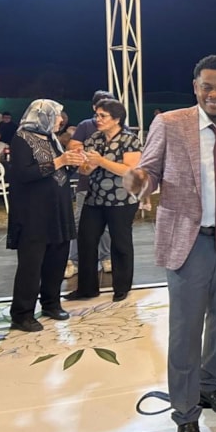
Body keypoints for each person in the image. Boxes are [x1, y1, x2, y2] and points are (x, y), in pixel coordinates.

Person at [123, 55, 216, 432]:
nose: (215, 94)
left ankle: (209, 386)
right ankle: (185, 415)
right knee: (185, 330)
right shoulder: (170, 124)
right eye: (207, 86)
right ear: (195, 87)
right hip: (189, 241)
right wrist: (139, 180)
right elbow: (149, 171)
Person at [7, 100, 86, 332]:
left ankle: (51, 303)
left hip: (57, 209)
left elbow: (59, 172)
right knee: (31, 265)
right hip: (33, 213)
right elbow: (23, 174)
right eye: (57, 115)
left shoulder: (51, 138)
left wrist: (72, 162)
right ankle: (22, 314)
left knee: (56, 260)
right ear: (42, 116)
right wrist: (61, 160)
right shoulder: (21, 138)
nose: (61, 119)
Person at [66, 100, 142, 302]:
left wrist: (101, 161)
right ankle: (86, 288)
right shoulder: (94, 139)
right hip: (95, 198)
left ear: (116, 119)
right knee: (86, 240)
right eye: (97, 115)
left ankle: (121, 287)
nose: (97, 119)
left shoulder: (130, 140)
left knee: (120, 243)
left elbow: (129, 170)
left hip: (122, 200)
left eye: (103, 116)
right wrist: (88, 166)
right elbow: (83, 171)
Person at [65, 90, 115, 279]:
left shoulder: (119, 127)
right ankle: (74, 260)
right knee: (80, 221)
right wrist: (91, 158)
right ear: (94, 107)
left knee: (108, 223)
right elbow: (74, 148)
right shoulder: (86, 126)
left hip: (111, 185)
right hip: (87, 184)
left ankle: (106, 257)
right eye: (103, 104)